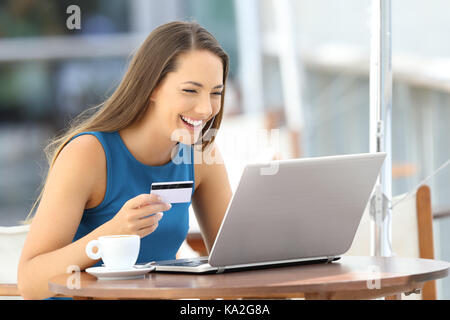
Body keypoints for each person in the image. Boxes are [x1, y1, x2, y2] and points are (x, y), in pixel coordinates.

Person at [17, 21, 232, 300]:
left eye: (215, 92)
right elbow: (29, 282)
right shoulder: (88, 154)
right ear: (152, 86)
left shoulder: (202, 156)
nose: (206, 109)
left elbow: (234, 260)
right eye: (190, 90)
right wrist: (109, 235)